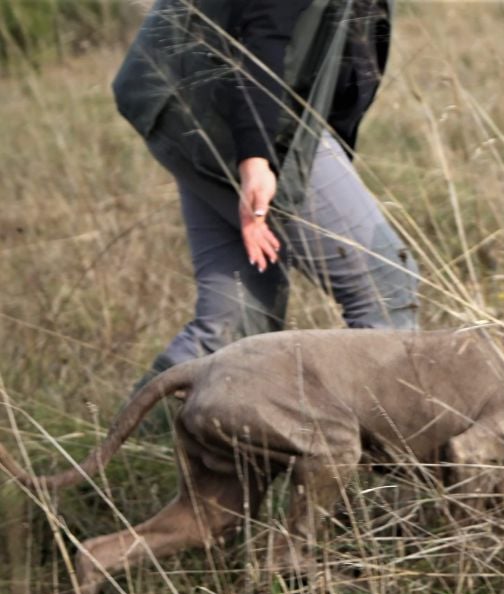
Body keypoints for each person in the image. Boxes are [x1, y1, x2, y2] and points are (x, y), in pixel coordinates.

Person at [113, 0, 419, 391]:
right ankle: (373, 425)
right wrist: (255, 158)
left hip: (192, 102)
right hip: (231, 111)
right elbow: (263, 33)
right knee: (385, 284)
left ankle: (145, 428)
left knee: (234, 319)